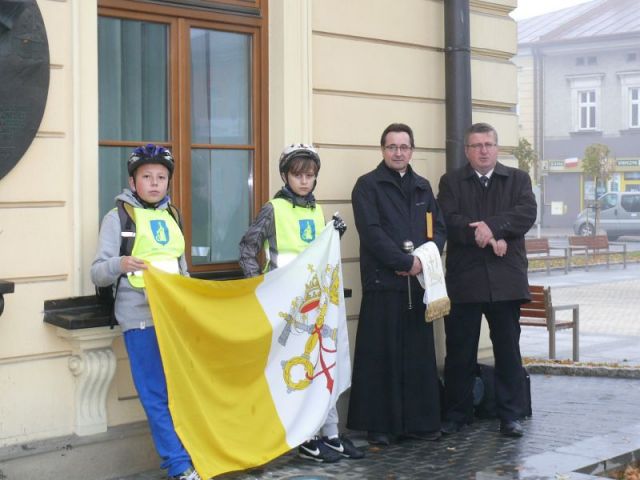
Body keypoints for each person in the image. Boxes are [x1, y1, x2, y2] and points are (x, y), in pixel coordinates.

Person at [238, 144, 364, 463]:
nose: (304, 181)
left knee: (324, 366)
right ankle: (304, 436)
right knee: (297, 373)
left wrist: (333, 236)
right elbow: (247, 247)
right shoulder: (273, 209)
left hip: (316, 304)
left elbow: (316, 255)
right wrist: (261, 289)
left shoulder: (315, 209)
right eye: (298, 175)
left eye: (310, 175)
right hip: (285, 308)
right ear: (285, 176)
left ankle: (330, 434)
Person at [91, 145, 201, 480]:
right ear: (132, 180)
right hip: (140, 318)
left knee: (182, 392)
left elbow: (182, 270)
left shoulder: (173, 215)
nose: (154, 183)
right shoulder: (118, 217)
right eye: (147, 177)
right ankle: (178, 466)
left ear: (169, 182)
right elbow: (97, 273)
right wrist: (120, 263)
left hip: (174, 319)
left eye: (161, 177)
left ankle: (193, 452)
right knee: (155, 395)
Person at [346, 123, 447, 446]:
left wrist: (424, 260)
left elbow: (438, 229)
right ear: (382, 150)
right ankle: (380, 425)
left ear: (412, 151)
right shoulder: (367, 186)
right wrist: (404, 262)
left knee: (417, 357)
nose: (398, 152)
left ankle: (419, 422)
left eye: (404, 147)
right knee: (381, 357)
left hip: (418, 286)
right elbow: (371, 233)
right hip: (383, 285)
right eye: (392, 147)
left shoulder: (422, 187)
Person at [437, 122, 537, 438]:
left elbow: (526, 213)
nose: (483, 150)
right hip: (465, 282)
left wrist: (493, 227)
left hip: (505, 282)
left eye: (488, 144)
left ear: (497, 148)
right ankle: (457, 414)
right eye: (476, 145)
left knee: (508, 352)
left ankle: (511, 415)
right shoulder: (451, 182)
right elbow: (448, 221)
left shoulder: (518, 179)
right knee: (460, 353)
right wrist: (483, 234)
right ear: (467, 150)